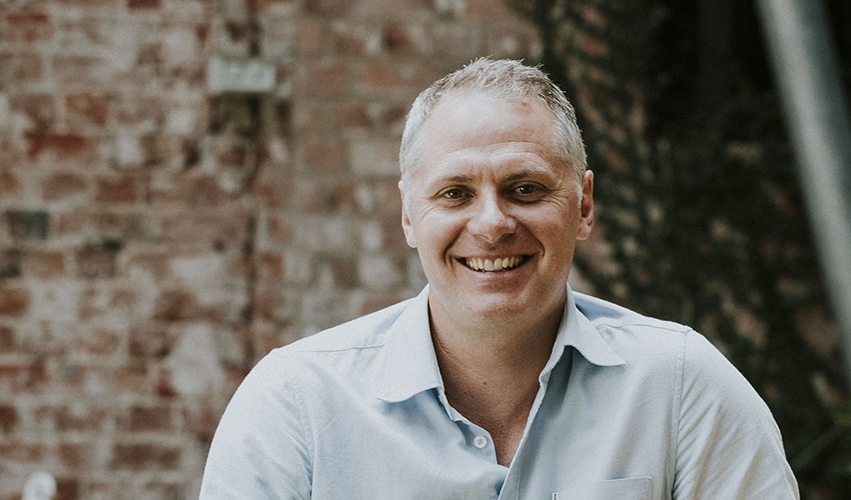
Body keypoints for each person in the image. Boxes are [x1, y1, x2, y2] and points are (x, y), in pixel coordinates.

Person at [199, 58, 799, 499]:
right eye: (455, 193)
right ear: (409, 214)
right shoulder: (296, 405)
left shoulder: (681, 388)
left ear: (584, 205)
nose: (491, 224)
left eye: (525, 188)